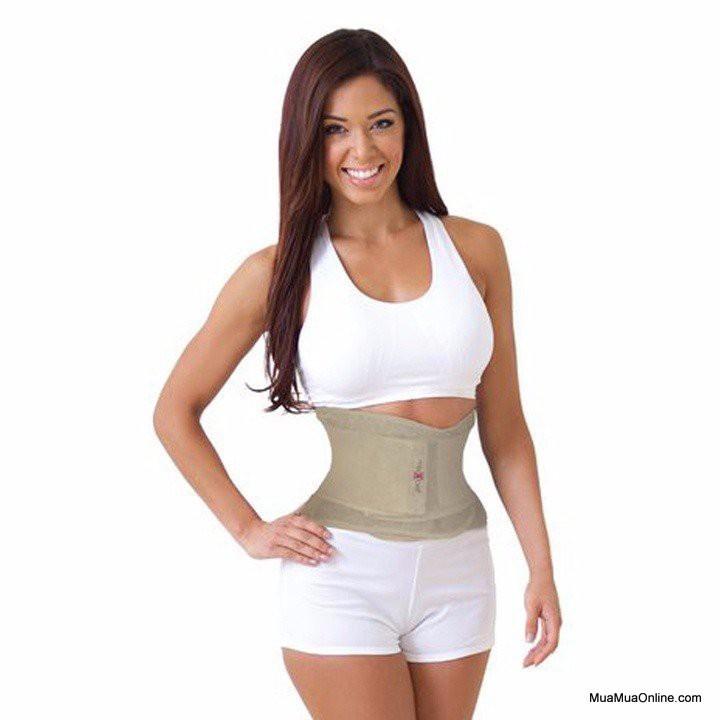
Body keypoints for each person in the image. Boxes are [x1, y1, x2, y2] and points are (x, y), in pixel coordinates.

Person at [153, 27, 561, 719]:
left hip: (460, 571)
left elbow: (507, 429)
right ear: (306, 140)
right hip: (340, 576)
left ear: (409, 126)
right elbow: (174, 410)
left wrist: (541, 566)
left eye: (381, 123)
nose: (363, 151)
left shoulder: (476, 250)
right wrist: (248, 529)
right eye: (335, 130)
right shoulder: (277, 272)